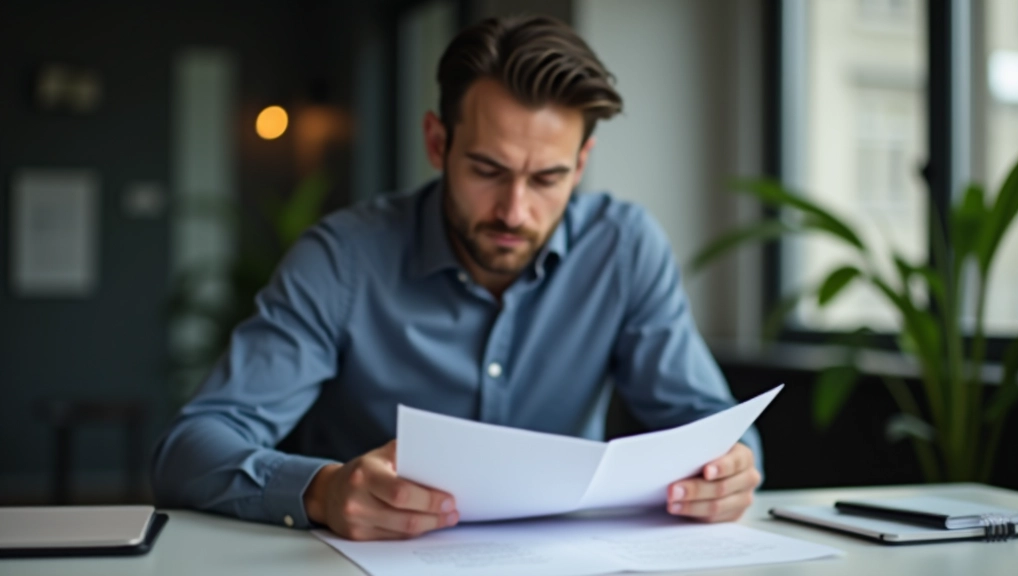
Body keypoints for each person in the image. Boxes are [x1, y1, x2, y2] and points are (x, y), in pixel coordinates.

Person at [152, 15, 763, 542]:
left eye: (547, 178)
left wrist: (728, 473)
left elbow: (714, 429)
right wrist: (324, 490)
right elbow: (190, 450)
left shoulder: (625, 249)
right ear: (437, 142)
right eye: (487, 169)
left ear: (580, 165)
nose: (514, 211)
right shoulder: (341, 259)